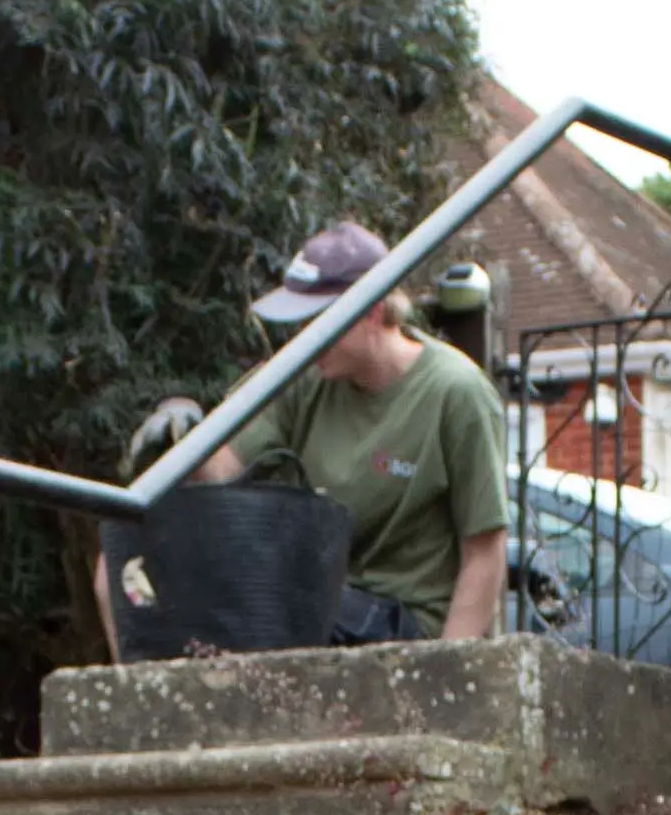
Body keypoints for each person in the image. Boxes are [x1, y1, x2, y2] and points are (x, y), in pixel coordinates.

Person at [179, 223, 512, 645]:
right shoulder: (306, 378)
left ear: (371, 310)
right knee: (146, 580)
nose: (304, 340)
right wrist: (186, 437)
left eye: (315, 322)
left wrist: (445, 674)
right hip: (325, 600)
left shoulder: (457, 393)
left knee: (279, 606)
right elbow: (221, 471)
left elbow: (485, 554)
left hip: (408, 625)